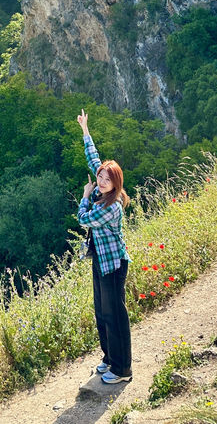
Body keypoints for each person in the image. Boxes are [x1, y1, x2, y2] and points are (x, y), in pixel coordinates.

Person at [77, 108, 132, 384]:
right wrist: (85, 129)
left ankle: (123, 370)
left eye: (106, 179)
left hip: (113, 264)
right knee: (102, 311)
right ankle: (109, 359)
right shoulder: (104, 191)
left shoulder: (110, 206)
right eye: (100, 178)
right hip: (101, 259)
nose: (100, 181)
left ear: (116, 184)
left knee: (115, 315)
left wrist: (85, 196)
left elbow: (83, 218)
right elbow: (94, 160)